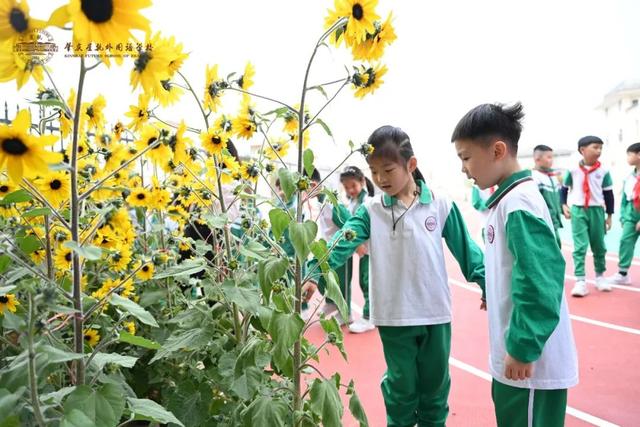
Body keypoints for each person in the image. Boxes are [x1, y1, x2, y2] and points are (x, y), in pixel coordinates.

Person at [303, 125, 485, 427]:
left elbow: (469, 252)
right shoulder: (370, 211)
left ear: (410, 165)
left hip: (435, 314)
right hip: (394, 317)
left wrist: (486, 283)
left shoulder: (440, 203)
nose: (380, 179)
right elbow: (340, 243)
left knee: (435, 391)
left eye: (387, 169)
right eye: (374, 172)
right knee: (401, 391)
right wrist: (314, 273)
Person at [452, 102, 578, 427]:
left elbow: (540, 279)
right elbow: (513, 268)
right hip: (517, 356)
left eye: (466, 157)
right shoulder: (506, 201)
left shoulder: (518, 202)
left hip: (530, 362)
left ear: (497, 150)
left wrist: (523, 346)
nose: (464, 169)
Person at [560, 135, 615, 296]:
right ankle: (580, 281)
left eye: (600, 148)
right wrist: (564, 205)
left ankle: (600, 276)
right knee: (580, 246)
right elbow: (563, 189)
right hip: (578, 210)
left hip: (597, 210)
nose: (599, 151)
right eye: (595, 147)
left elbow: (609, 194)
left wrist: (609, 215)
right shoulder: (573, 170)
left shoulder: (604, 171)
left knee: (599, 245)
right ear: (582, 150)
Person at [339, 166, 375, 333]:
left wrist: (360, 244)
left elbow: (366, 227)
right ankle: (372, 315)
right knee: (363, 281)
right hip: (362, 251)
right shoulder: (353, 201)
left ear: (362, 181)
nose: (350, 190)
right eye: (346, 187)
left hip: (369, 250)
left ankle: (369, 317)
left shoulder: (367, 202)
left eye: (353, 185)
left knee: (368, 283)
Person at [606, 142, 640, 285]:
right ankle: (622, 273)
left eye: (629, 154)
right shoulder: (630, 177)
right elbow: (626, 198)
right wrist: (624, 216)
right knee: (625, 242)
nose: (627, 157)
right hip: (631, 215)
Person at [531, 145, 564, 247]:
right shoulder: (534, 177)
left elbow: (558, 196)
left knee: (557, 246)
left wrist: (563, 207)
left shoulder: (553, 176)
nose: (552, 160)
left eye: (552, 157)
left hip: (554, 222)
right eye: (549, 157)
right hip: (544, 223)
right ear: (537, 159)